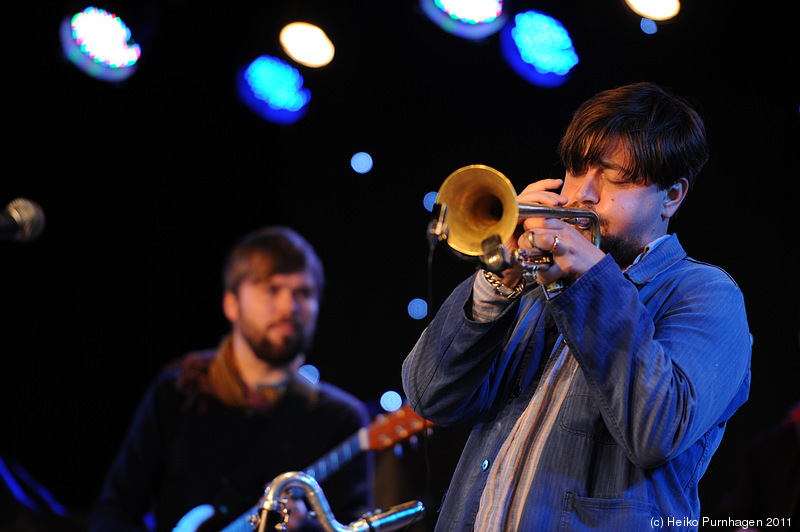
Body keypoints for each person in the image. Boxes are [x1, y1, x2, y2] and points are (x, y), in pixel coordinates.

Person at [402, 82, 751, 531]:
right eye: (574, 169)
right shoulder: (535, 281)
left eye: (615, 177)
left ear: (672, 196)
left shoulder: (704, 293)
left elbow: (656, 431)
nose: (581, 194)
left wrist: (592, 282)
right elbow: (430, 395)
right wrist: (498, 277)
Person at [89, 226, 374, 532]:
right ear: (231, 304)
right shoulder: (179, 393)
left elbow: (353, 525)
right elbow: (113, 511)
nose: (289, 307)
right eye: (272, 289)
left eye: (303, 292)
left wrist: (307, 529)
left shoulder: (341, 418)